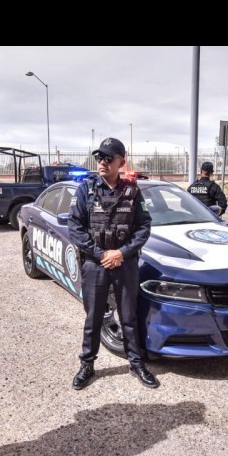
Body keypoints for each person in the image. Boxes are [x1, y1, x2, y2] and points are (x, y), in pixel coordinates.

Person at [67, 137, 159, 390]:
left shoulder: (132, 190)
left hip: (124, 263)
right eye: (99, 157)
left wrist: (122, 252)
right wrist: (101, 254)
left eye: (108, 158)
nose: (102, 162)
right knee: (93, 317)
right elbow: (75, 227)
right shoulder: (85, 189)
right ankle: (87, 364)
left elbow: (143, 226)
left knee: (128, 316)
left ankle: (136, 363)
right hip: (95, 264)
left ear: (121, 162)